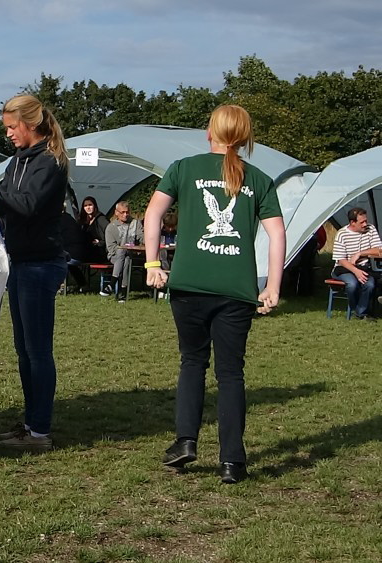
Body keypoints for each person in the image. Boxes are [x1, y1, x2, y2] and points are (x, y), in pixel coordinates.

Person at [144, 104, 285, 485]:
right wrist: (272, 286)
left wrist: (153, 264)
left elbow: (153, 214)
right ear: (246, 137)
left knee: (193, 362)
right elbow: (277, 234)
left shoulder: (183, 168)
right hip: (237, 291)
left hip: (189, 285)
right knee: (231, 374)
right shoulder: (260, 179)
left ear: (209, 133)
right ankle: (232, 461)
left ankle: (186, 441)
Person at [0, 94, 69, 449]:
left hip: (40, 264)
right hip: (19, 262)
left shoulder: (49, 162)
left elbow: (27, 205)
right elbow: (5, 203)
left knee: (37, 350)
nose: (8, 134)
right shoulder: (18, 161)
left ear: (30, 124)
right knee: (25, 349)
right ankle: (31, 424)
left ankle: (39, 431)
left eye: (12, 127)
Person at [331, 207, 382, 318]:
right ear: (352, 222)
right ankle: (358, 310)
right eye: (362, 222)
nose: (365, 224)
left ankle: (360, 312)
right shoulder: (342, 234)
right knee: (352, 284)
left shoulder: (370, 229)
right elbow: (341, 260)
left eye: (365, 221)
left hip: (363, 267)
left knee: (370, 284)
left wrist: (360, 253)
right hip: (344, 269)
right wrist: (356, 271)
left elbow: (379, 250)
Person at [103, 200, 144, 301]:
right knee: (123, 255)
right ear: (116, 213)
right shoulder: (111, 228)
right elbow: (111, 249)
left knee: (126, 258)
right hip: (115, 256)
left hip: (131, 254)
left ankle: (112, 283)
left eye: (127, 212)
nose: (125, 215)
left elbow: (141, 237)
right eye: (122, 212)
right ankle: (123, 291)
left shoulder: (135, 223)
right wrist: (123, 248)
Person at [78, 196, 109, 263]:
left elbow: (108, 235)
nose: (88, 207)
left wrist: (99, 243)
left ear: (94, 206)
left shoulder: (101, 219)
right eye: (85, 206)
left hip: (99, 253)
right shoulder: (83, 221)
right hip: (85, 252)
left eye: (90, 205)